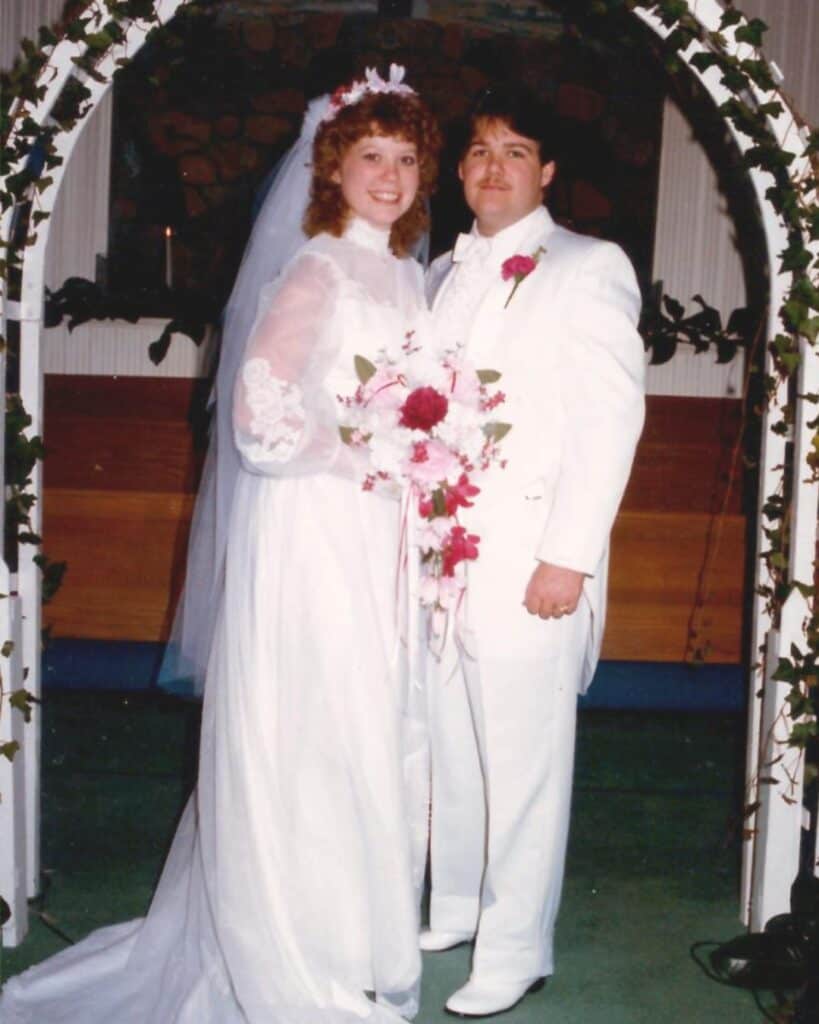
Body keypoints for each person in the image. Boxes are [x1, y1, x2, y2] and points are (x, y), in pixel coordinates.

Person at [0, 67, 441, 1024]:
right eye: (371, 155)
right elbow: (259, 418)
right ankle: (288, 947)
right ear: (333, 167)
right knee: (311, 720)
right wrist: (366, 453)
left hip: (375, 525)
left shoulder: (408, 272)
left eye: (405, 158)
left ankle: (349, 935)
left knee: (365, 719)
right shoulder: (317, 269)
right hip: (315, 524)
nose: (389, 175)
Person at [421, 84, 646, 1018]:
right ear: (458, 170)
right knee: (450, 747)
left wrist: (569, 556)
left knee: (521, 762)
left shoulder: (588, 265)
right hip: (440, 558)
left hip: (527, 559)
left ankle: (515, 950)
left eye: (515, 152)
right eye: (479, 151)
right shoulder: (444, 269)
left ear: (546, 172)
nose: (493, 168)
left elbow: (608, 421)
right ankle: (455, 905)